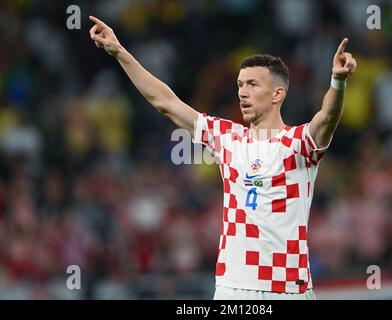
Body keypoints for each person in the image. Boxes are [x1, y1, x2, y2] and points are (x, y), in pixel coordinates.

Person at [89, 15, 357, 300]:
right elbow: (165, 102)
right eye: (240, 84)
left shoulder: (297, 143)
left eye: (253, 84)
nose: (242, 92)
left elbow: (327, 117)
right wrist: (119, 52)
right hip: (232, 289)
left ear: (278, 93)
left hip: (287, 289)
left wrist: (337, 82)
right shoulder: (227, 137)